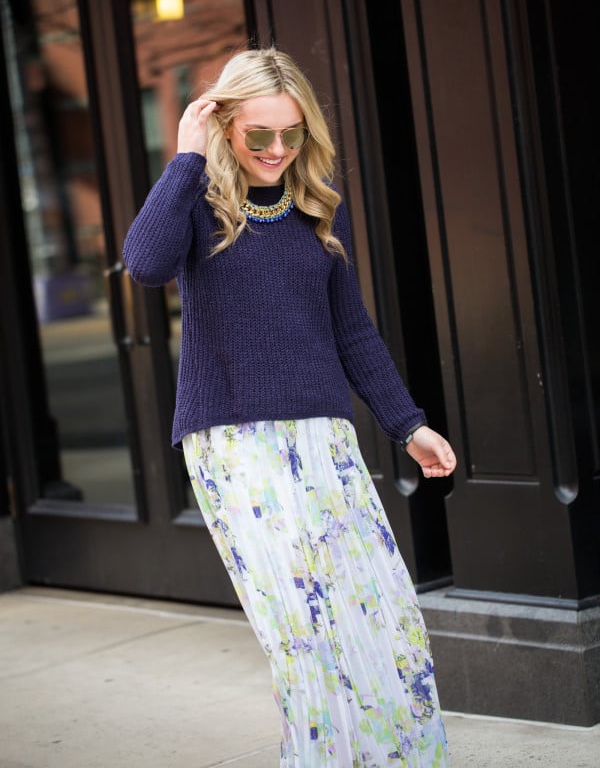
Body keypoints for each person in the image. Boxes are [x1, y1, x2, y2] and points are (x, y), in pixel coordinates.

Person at [123, 47, 456, 767]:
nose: (277, 150)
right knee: (304, 632)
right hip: (236, 446)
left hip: (325, 442)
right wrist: (184, 160)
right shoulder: (198, 206)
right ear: (226, 127)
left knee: (383, 617)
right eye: (258, 135)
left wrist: (410, 425)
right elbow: (144, 263)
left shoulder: (316, 213)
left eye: (292, 135)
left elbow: (353, 332)